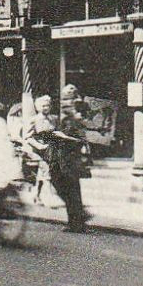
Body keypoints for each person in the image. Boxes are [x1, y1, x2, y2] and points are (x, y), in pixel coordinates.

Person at [46, 86, 91, 233]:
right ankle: (77, 218)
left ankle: (77, 222)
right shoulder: (63, 117)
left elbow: (82, 138)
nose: (64, 103)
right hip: (60, 157)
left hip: (70, 158)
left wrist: (63, 137)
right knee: (61, 186)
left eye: (67, 100)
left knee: (70, 189)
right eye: (63, 99)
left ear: (74, 101)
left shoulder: (77, 119)